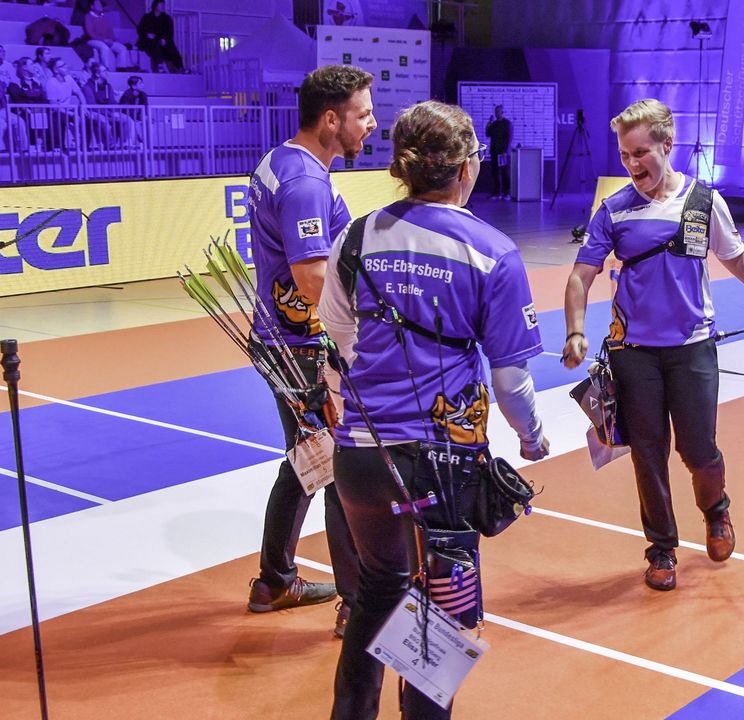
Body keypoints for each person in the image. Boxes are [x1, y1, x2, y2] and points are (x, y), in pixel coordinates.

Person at [319, 99, 549, 719]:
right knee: (444, 610)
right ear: (468, 167)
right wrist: (532, 436)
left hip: (362, 460)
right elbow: (510, 379)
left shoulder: (356, 237)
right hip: (441, 466)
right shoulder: (492, 251)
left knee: (378, 588)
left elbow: (340, 336)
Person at [561, 99, 744, 591]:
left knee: (699, 451)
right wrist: (575, 331)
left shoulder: (705, 203)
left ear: (667, 144)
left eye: (642, 152)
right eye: (624, 155)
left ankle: (716, 511)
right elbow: (580, 278)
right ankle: (662, 549)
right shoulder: (613, 210)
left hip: (692, 349)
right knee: (647, 452)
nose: (633, 164)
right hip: (632, 352)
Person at [244, 64, 375, 637]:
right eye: (363, 113)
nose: (372, 124)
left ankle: (275, 580)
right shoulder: (304, 183)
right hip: (303, 349)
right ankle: (354, 601)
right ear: (331, 118)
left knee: (306, 463)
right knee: (338, 463)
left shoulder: (286, 160)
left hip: (281, 341)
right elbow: (313, 281)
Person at [83, 0, 134, 72]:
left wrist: (112, 39)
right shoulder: (88, 16)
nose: (100, 6)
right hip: (92, 40)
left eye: (100, 4)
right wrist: (103, 40)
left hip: (106, 40)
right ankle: (105, 68)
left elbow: (110, 31)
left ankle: (121, 68)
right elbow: (90, 33)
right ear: (92, 6)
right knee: (104, 47)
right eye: (97, 4)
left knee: (122, 48)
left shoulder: (104, 17)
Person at [136, 1, 183, 73]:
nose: (163, 6)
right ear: (155, 6)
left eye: (163, 5)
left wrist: (164, 39)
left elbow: (169, 33)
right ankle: (160, 64)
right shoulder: (147, 17)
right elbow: (140, 30)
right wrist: (147, 35)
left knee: (171, 47)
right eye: (160, 4)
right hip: (148, 40)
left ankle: (179, 67)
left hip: (162, 39)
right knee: (154, 44)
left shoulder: (167, 19)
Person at [484, 104, 511, 199]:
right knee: (495, 172)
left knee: (504, 172)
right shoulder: (494, 124)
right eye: (496, 112)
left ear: (502, 112)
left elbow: (509, 138)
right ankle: (497, 193)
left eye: (498, 112)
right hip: (494, 151)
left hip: (502, 152)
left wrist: (505, 151)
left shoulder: (507, 123)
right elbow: (487, 134)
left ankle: (506, 193)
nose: (497, 114)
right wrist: (488, 123)